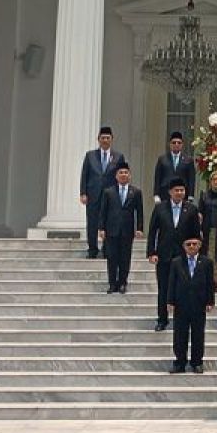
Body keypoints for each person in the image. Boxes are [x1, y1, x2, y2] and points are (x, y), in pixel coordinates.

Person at [146, 178, 202, 331]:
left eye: (182, 190)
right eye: (176, 190)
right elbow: (152, 232)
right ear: (170, 192)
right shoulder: (160, 208)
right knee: (163, 288)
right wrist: (152, 252)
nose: (179, 193)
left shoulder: (191, 209)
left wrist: (196, 254)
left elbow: (196, 234)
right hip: (164, 255)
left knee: (182, 289)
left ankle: (180, 320)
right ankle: (162, 319)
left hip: (184, 257)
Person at [167, 236, 215, 373]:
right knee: (180, 335)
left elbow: (209, 283)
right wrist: (170, 301)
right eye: (189, 244)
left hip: (199, 304)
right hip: (181, 304)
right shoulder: (177, 262)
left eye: (195, 244)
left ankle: (197, 362)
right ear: (184, 246)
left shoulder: (206, 262)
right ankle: (179, 362)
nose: (192, 246)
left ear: (199, 245)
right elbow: (172, 283)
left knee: (198, 334)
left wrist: (210, 301)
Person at [96, 163, 143, 294]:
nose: (123, 175)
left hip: (127, 230)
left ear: (130, 175)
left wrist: (139, 228)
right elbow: (103, 211)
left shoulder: (136, 192)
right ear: (116, 176)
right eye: (121, 173)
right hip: (111, 229)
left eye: (126, 173)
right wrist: (101, 228)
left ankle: (123, 282)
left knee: (125, 257)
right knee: (112, 257)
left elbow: (139, 212)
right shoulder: (108, 192)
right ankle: (112, 283)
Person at [80, 126, 126, 258]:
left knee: (109, 222)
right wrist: (83, 193)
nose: (105, 140)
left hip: (111, 195)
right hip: (93, 194)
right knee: (92, 222)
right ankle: (92, 249)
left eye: (108, 138)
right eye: (102, 138)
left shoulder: (118, 157)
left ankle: (107, 249)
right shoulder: (90, 156)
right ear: (98, 139)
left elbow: (121, 175)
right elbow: (85, 175)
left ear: (112, 139)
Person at [153, 131, 196, 202]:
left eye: (179, 143)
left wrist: (191, 195)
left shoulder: (188, 160)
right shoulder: (162, 159)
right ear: (170, 144)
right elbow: (157, 177)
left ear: (182, 145)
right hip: (165, 194)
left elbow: (191, 179)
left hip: (182, 195)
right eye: (174, 142)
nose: (176, 144)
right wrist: (156, 194)